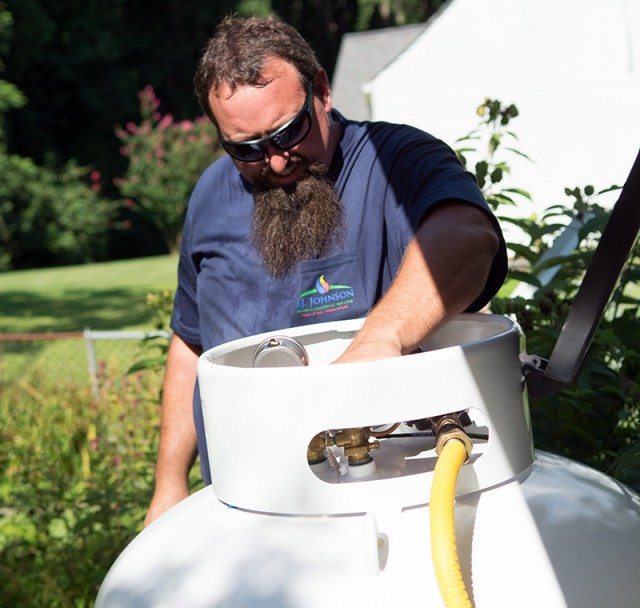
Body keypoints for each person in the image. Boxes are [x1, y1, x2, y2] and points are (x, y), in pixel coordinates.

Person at [144, 14, 507, 525]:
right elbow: (190, 342)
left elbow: (469, 236)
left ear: (321, 90)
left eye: (287, 132)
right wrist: (168, 485)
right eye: (245, 148)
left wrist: (384, 335)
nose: (273, 162)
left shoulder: (395, 161)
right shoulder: (209, 193)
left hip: (374, 504)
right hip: (239, 504)